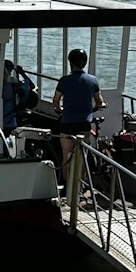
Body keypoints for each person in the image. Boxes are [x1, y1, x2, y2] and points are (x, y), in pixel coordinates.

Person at [51, 48, 104, 183]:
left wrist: (59, 109)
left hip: (67, 123)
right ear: (85, 63)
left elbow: (56, 100)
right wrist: (97, 107)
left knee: (66, 156)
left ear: (71, 63)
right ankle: (80, 187)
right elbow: (99, 101)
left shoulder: (64, 80)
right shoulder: (93, 80)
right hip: (84, 123)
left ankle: (67, 185)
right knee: (82, 155)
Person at [0, 59, 38, 131]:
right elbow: (31, 85)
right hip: (12, 120)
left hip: (0, 120)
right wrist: (22, 73)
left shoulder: (3, 87)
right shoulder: (16, 85)